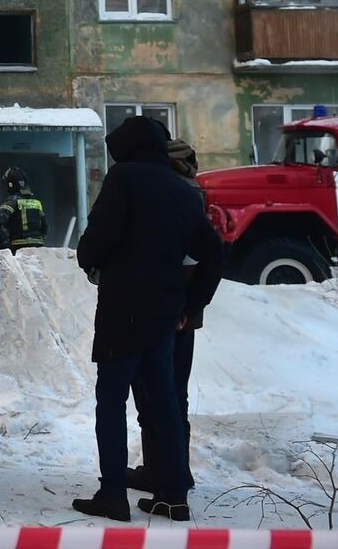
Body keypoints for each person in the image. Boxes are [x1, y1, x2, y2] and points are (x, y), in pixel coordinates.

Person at [72, 116, 224, 523]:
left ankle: (112, 494)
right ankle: (173, 496)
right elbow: (214, 255)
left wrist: (95, 256)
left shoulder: (124, 179)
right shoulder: (183, 191)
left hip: (123, 311)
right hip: (165, 315)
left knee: (112, 402)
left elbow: (93, 246)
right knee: (164, 405)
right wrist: (190, 306)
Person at [128, 138, 210, 500]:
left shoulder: (176, 192)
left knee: (155, 393)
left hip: (169, 309)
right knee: (174, 392)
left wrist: (182, 305)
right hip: (183, 310)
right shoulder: (191, 189)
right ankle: (173, 471)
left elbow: (193, 257)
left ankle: (166, 475)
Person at [0, 166, 47, 254]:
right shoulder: (37, 203)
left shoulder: (14, 201)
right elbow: (45, 227)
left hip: (19, 246)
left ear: (11, 184)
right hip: (38, 245)